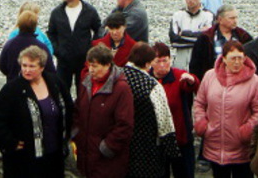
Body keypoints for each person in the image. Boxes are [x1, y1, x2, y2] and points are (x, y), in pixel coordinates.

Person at [0, 46, 73, 178]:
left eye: (32, 66)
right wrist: (9, 142)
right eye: (24, 65)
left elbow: (68, 107)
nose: (26, 70)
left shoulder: (55, 83)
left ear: (42, 67)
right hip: (24, 158)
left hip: (54, 153)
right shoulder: (11, 90)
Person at [194, 40, 258, 178]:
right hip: (214, 146)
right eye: (233, 58)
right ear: (224, 59)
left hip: (241, 149)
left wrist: (246, 131)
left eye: (240, 58)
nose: (237, 62)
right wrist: (202, 124)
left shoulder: (255, 81)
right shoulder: (209, 76)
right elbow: (200, 103)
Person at [73, 44, 134, 178]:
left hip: (107, 162)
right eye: (89, 65)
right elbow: (77, 110)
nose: (90, 70)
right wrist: (76, 134)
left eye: (95, 66)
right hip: (85, 155)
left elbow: (125, 125)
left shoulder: (121, 89)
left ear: (107, 65)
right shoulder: (86, 82)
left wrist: (107, 147)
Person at [123, 42, 179, 178]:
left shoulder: (117, 77)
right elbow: (164, 121)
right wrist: (172, 150)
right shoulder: (151, 85)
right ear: (148, 63)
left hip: (121, 143)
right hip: (147, 146)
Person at [151, 42, 200, 178]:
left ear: (170, 60)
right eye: (158, 61)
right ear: (150, 62)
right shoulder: (147, 79)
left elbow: (192, 85)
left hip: (180, 138)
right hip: (157, 141)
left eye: (165, 61)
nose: (162, 65)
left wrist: (192, 81)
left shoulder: (179, 76)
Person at [47, 0, 102, 90]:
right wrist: (57, 50)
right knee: (61, 91)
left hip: (83, 61)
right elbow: (51, 33)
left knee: (83, 91)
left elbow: (99, 30)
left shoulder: (89, 11)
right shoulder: (57, 12)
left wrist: (91, 49)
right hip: (63, 61)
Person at [190, 4, 252, 81]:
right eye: (231, 18)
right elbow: (196, 65)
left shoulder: (243, 36)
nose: (235, 21)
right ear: (220, 19)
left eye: (236, 17)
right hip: (213, 81)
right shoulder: (206, 38)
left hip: (238, 81)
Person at [0, 10, 56, 82]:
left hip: (13, 84)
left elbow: (2, 66)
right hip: (35, 85)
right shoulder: (41, 46)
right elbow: (50, 70)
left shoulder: (9, 44)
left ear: (19, 24)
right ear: (35, 26)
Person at [80, 12, 136, 80]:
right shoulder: (96, 45)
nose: (114, 32)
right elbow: (86, 70)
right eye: (111, 29)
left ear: (125, 27)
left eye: (117, 28)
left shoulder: (134, 48)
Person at [169, 0, 214, 70]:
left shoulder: (209, 16)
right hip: (179, 65)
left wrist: (183, 34)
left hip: (201, 66)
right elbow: (174, 41)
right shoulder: (177, 15)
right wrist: (198, 35)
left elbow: (208, 40)